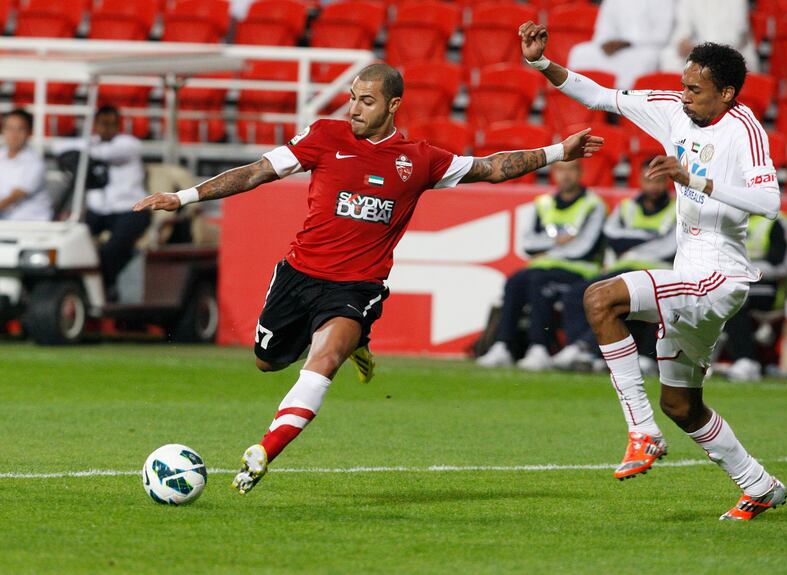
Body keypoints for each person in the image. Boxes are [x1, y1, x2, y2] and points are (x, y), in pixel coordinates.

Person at [133, 63, 603, 495]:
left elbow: (491, 168)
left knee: (326, 355)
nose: (355, 109)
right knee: (267, 362)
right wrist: (184, 197)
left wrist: (559, 151)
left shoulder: (419, 159)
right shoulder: (323, 136)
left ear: (393, 105)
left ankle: (266, 449)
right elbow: (258, 171)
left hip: (357, 286)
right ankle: (353, 342)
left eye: (367, 101)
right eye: (353, 98)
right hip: (298, 275)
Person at [519, 22, 787, 520]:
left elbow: (769, 201)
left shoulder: (744, 129)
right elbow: (599, 96)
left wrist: (695, 180)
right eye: (683, 85)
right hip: (690, 274)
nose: (683, 96)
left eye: (695, 89)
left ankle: (641, 430)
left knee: (601, 298)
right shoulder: (672, 110)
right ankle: (759, 484)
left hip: (721, 278)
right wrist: (541, 63)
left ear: (727, 93)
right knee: (682, 405)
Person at [476, 159, 606, 371]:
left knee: (538, 281)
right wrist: (558, 241)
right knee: (515, 281)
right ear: (554, 173)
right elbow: (528, 243)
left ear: (580, 172)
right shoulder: (543, 203)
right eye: (561, 170)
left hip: (580, 271)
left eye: (571, 169)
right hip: (544, 267)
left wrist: (545, 248)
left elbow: (584, 248)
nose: (566, 175)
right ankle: (503, 346)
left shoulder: (594, 204)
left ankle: (540, 348)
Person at [553, 158, 677, 374]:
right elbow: (612, 236)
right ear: (639, 180)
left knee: (613, 301)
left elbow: (670, 246)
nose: (653, 186)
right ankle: (578, 351)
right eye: (648, 180)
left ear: (667, 182)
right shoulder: (627, 207)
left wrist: (631, 246)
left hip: (656, 272)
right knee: (575, 295)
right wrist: (649, 236)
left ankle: (586, 349)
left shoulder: (678, 208)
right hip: (622, 269)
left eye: (659, 181)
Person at [54, 105, 151, 298]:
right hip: (99, 212)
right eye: (102, 124)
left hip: (131, 210)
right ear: (94, 125)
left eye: (111, 124)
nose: (106, 129)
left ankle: (105, 287)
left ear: (119, 126)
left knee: (112, 249)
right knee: (69, 240)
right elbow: (58, 146)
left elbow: (106, 153)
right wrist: (85, 147)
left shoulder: (128, 144)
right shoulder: (92, 143)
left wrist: (82, 149)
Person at [723, 213, 787, 381]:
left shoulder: (775, 222)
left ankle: (747, 361)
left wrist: (743, 270)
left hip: (766, 288)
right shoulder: (726, 219)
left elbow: (782, 265)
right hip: (730, 282)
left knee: (732, 298)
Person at [567, 0, 675, 89]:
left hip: (646, 48)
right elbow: (603, 29)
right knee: (580, 53)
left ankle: (619, 107)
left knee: (643, 61)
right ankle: (581, 103)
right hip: (616, 49)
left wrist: (628, 43)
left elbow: (662, 35)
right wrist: (607, 42)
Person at [660, 0, 758, 74]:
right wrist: (682, 41)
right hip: (698, 50)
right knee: (669, 58)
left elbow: (737, 37)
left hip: (730, 51)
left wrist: (700, 48)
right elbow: (682, 27)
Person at [0, 109, 52, 222]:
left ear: (29, 132)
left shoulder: (35, 163)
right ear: (3, 130)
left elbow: (13, 198)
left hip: (31, 225)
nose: (14, 134)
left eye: (20, 129)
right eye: (9, 128)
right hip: (5, 222)